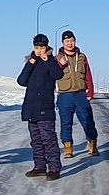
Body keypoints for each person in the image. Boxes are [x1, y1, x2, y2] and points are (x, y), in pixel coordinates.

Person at [17, 33, 65, 181]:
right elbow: (21, 80)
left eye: (41, 47)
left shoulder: (50, 61)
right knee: (36, 140)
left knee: (48, 139)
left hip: (45, 107)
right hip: (31, 108)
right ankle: (39, 166)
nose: (39, 50)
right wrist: (30, 63)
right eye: (37, 47)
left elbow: (58, 75)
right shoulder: (31, 61)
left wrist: (49, 61)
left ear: (47, 47)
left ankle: (54, 168)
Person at [55, 30, 99, 158]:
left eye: (72, 41)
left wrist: (90, 91)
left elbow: (88, 75)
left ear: (75, 41)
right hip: (65, 95)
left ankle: (92, 144)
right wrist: (60, 64)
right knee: (66, 123)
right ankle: (68, 147)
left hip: (80, 94)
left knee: (87, 121)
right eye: (67, 41)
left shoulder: (82, 57)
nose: (70, 43)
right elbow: (53, 74)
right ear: (63, 43)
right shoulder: (57, 58)